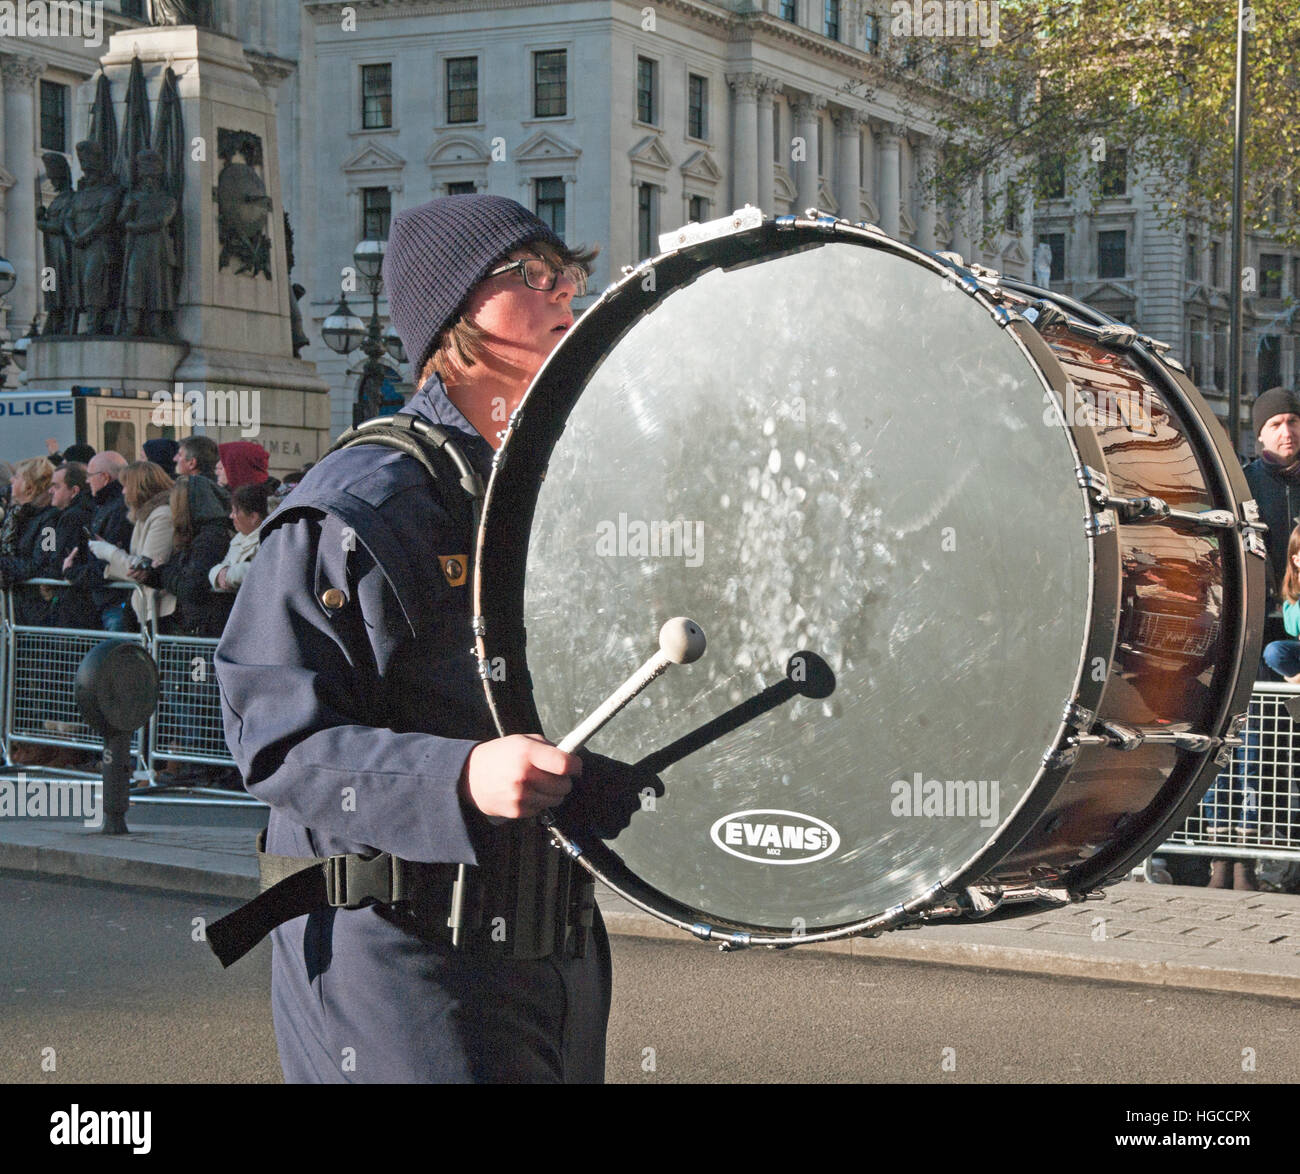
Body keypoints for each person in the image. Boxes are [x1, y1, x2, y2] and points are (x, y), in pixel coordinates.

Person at [214, 194, 660, 1083]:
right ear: (457, 316)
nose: (566, 294)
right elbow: (277, 740)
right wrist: (458, 775)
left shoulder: (551, 487)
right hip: (400, 967)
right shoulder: (361, 502)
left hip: (552, 950)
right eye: (532, 277)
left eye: (568, 273)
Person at [132, 474, 234, 637]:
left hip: (205, 628)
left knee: (197, 663)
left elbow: (191, 586)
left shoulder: (209, 539)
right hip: (198, 625)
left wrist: (164, 572)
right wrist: (150, 575)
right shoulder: (201, 535)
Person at [92, 461, 176, 631]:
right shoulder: (143, 515)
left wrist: (108, 552)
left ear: (140, 487)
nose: (123, 492)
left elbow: (144, 568)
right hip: (144, 607)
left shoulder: (162, 515)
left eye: (125, 486)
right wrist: (108, 568)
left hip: (160, 609)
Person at [61, 451, 134, 631]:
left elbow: (106, 565)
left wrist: (71, 572)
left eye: (90, 476)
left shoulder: (116, 510)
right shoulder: (104, 506)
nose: (87, 481)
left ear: (104, 477)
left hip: (115, 602)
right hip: (108, 601)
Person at [0, 457, 59, 625]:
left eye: (17, 477)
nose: (11, 480)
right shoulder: (16, 515)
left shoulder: (49, 519)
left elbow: (41, 563)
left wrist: (3, 566)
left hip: (36, 611)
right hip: (16, 607)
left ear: (29, 487)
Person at [209, 481, 270, 594]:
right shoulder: (239, 538)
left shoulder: (271, 539)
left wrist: (228, 575)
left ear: (253, 517)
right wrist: (219, 573)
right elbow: (223, 565)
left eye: (235, 512)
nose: (231, 516)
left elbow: (265, 570)